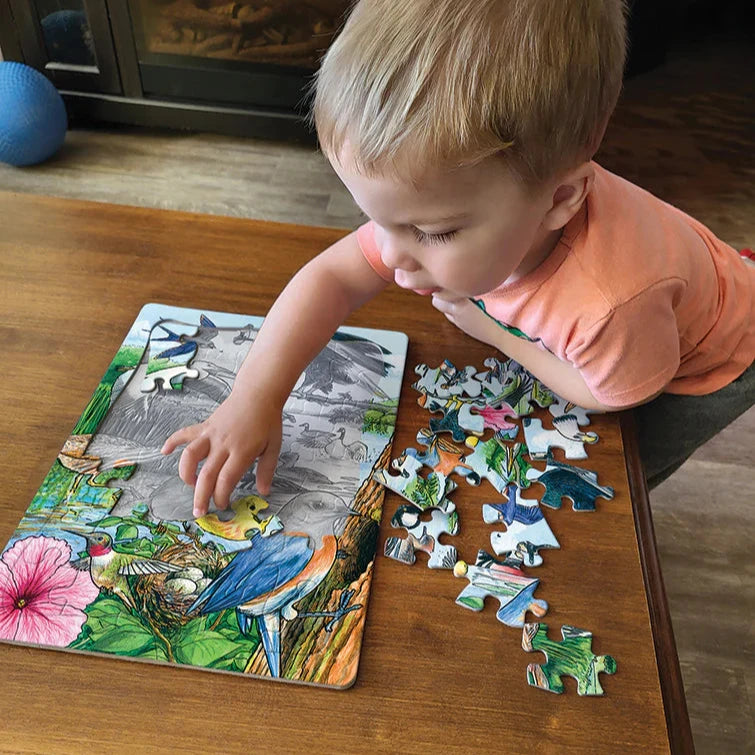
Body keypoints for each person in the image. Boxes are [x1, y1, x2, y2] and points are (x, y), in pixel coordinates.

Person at [161, 0, 754, 517]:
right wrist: (252, 397)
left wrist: (499, 335)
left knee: (623, 477)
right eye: (377, 219)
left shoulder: (610, 303)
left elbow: (614, 393)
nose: (391, 258)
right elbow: (331, 278)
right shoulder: (476, 203)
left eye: (433, 232)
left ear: (560, 199)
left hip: (711, 359)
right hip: (651, 306)